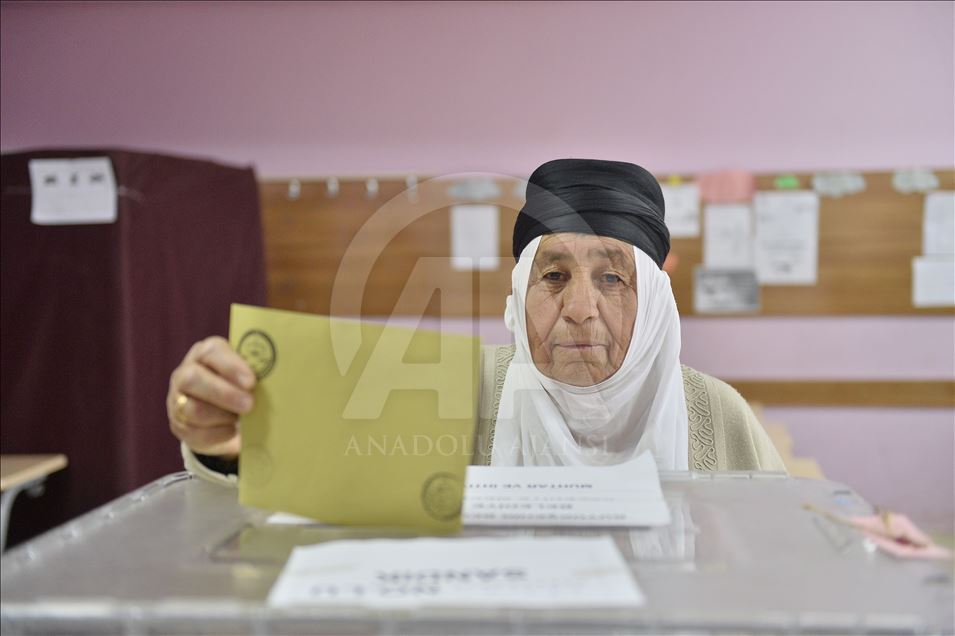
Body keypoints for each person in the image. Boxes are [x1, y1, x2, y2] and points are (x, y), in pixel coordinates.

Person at [168, 159, 784, 486]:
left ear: (653, 304)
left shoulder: (716, 414)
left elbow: (782, 562)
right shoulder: (453, 392)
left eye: (612, 277)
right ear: (519, 293)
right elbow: (315, 484)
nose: (578, 307)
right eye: (553, 275)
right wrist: (233, 445)